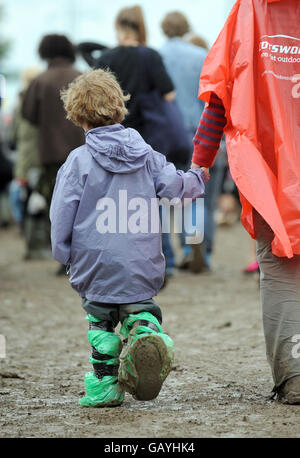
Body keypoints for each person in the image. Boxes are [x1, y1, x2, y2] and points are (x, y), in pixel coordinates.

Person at [50, 68, 208, 407]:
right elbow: (174, 187)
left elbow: (62, 212)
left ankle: (105, 386)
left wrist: (63, 252)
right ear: (119, 107)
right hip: (141, 259)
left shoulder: (77, 162)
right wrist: (197, 177)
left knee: (101, 325)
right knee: (140, 305)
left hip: (94, 263)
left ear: (78, 117)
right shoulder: (145, 154)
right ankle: (145, 329)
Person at [191, 0, 300, 403]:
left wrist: (200, 163)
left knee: (281, 271)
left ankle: (295, 377)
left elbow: (219, 96)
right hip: (268, 169)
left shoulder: (248, 14)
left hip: (269, 170)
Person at [78, 6, 177, 277]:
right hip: (147, 138)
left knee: (111, 200)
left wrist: (113, 47)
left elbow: (83, 48)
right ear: (141, 28)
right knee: (151, 198)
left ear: (118, 27)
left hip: (109, 136)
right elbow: (169, 94)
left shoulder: (107, 57)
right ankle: (164, 257)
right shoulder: (150, 55)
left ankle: (114, 259)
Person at [160, 12, 223, 272]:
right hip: (196, 133)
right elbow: (209, 100)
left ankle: (168, 255)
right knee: (198, 195)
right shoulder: (200, 57)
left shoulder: (157, 56)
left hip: (165, 134)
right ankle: (198, 249)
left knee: (166, 198)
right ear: (187, 28)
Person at [22, 35, 85, 270]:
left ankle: (63, 259)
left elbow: (28, 114)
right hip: (83, 152)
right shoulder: (81, 77)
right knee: (83, 205)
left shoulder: (39, 81)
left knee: (57, 205)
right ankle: (83, 256)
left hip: (51, 153)